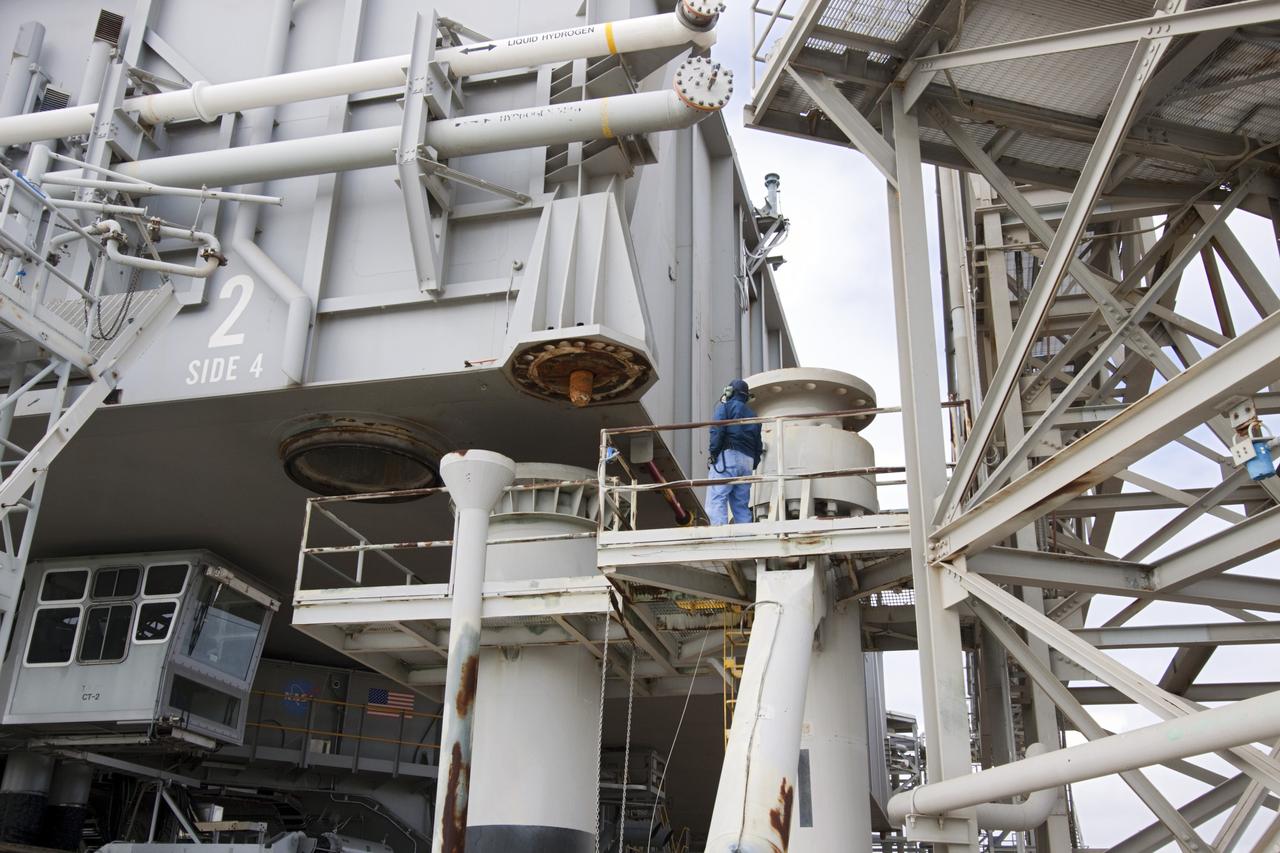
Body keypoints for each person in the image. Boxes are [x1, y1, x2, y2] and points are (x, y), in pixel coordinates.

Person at [707, 379, 763, 524]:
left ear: (730, 391)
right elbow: (758, 444)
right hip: (748, 462)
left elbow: (717, 431)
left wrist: (713, 454)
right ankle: (746, 537)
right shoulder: (754, 416)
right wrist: (754, 463)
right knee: (741, 505)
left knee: (717, 498)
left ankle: (720, 538)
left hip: (728, 457)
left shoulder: (725, 408)